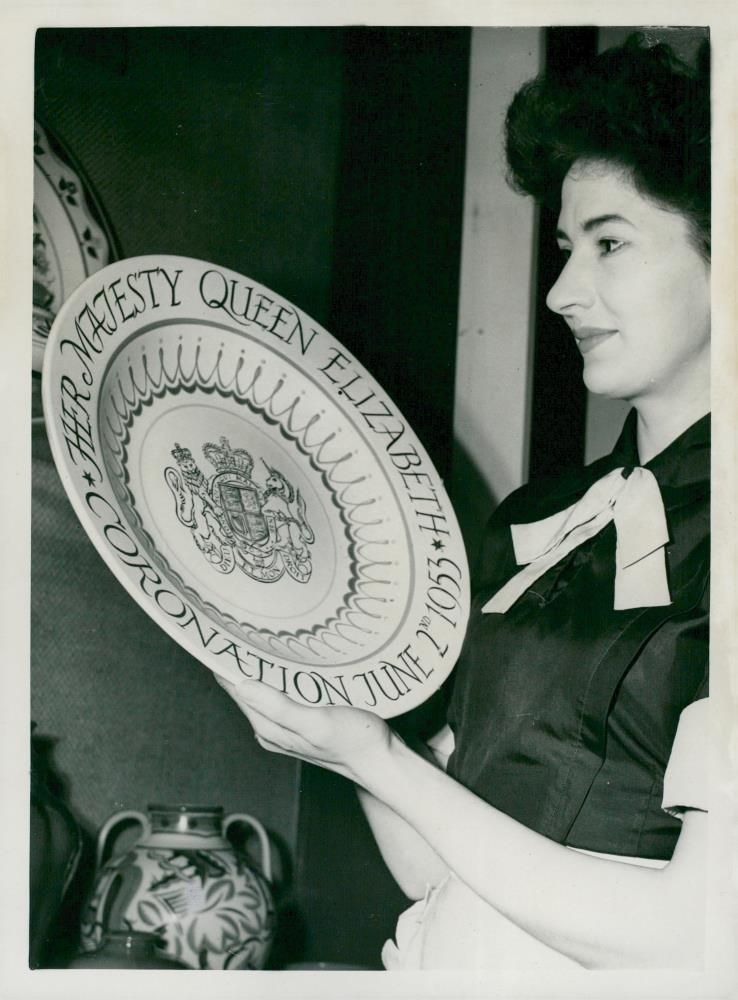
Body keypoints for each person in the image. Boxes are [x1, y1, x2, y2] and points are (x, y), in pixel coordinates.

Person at [216, 34, 711, 970]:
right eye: (565, 249)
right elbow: (428, 871)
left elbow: (696, 932)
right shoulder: (535, 523)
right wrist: (339, 703)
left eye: (610, 243)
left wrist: (376, 758)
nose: (564, 290)